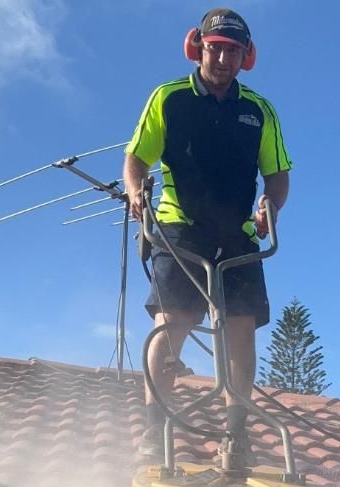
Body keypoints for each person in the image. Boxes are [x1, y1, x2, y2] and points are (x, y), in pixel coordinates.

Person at [123, 7, 291, 461]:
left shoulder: (259, 111)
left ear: (246, 57)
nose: (223, 59)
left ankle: (236, 435)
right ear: (197, 47)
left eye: (234, 52)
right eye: (216, 49)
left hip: (237, 235)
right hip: (180, 228)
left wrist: (269, 207)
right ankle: (155, 429)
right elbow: (137, 158)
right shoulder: (169, 98)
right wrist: (136, 190)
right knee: (173, 321)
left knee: (240, 329)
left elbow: (277, 175)